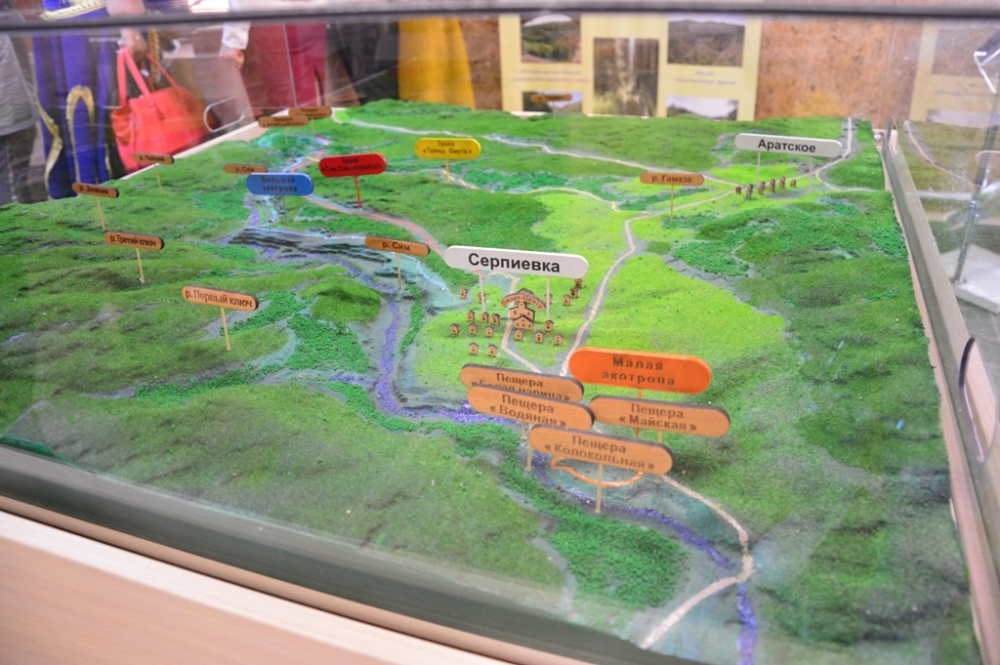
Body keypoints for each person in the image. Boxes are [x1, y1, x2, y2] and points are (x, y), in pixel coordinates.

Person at [0, 0, 39, 205]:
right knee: (13, 190)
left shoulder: (10, 18)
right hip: (11, 119)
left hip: (12, 117)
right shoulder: (10, 18)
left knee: (14, 187)